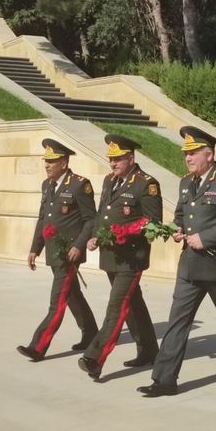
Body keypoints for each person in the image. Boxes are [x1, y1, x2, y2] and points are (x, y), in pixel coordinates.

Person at [137, 126, 216, 398]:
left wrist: (205, 238)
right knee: (177, 322)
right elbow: (182, 214)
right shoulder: (185, 182)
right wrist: (179, 229)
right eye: (186, 154)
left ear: (209, 154)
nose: (188, 158)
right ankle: (164, 379)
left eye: (193, 153)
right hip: (190, 265)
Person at [78, 134, 161, 379]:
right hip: (111, 256)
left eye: (118, 159)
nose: (113, 163)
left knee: (116, 306)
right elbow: (102, 213)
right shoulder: (109, 181)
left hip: (131, 257)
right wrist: (94, 236)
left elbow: (152, 222)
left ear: (131, 158)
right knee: (133, 303)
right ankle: (148, 350)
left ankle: (95, 358)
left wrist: (124, 233)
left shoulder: (146, 184)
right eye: (111, 159)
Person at [17, 139, 98, 361]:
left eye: (52, 161)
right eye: (46, 161)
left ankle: (38, 346)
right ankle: (91, 332)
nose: (47, 165)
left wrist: (78, 246)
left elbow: (91, 220)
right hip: (54, 251)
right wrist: (35, 248)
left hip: (69, 254)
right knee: (71, 294)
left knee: (57, 301)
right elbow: (43, 218)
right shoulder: (48, 185)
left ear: (64, 162)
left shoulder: (80, 185)